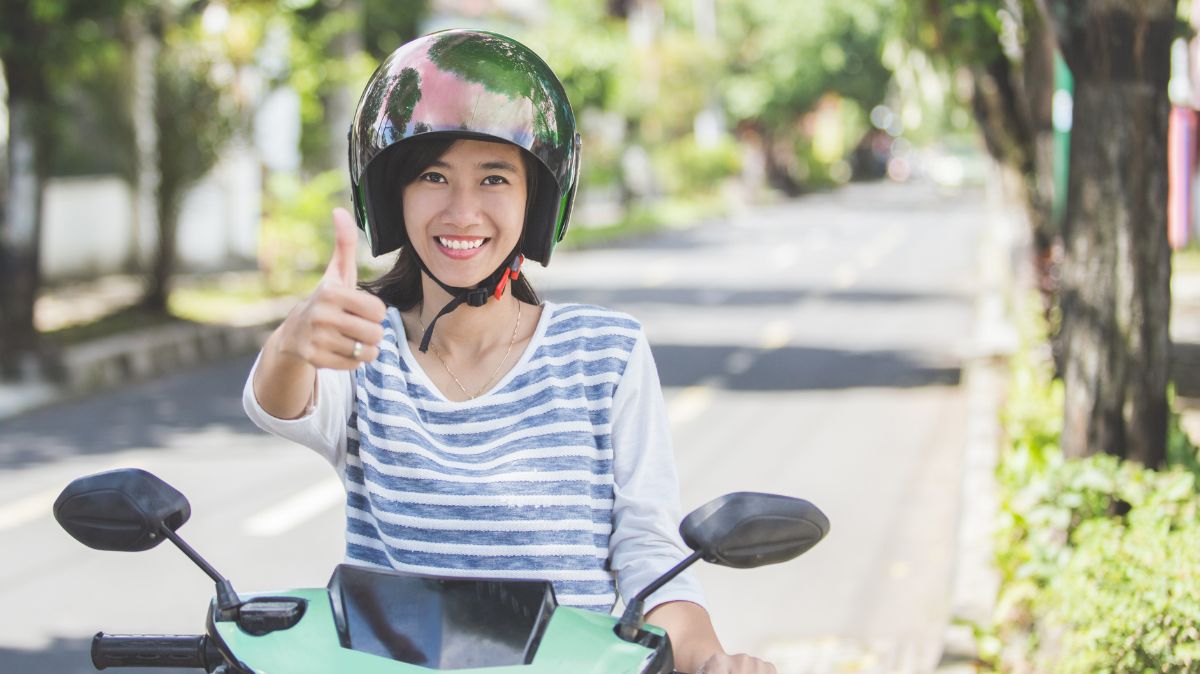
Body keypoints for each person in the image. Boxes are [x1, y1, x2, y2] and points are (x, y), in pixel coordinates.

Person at [242, 29, 775, 674]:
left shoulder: (604, 355)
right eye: (433, 176)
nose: (462, 211)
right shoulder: (364, 344)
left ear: (534, 202)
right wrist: (296, 338)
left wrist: (707, 659)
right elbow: (277, 403)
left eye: (494, 178)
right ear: (394, 196)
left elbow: (650, 557)